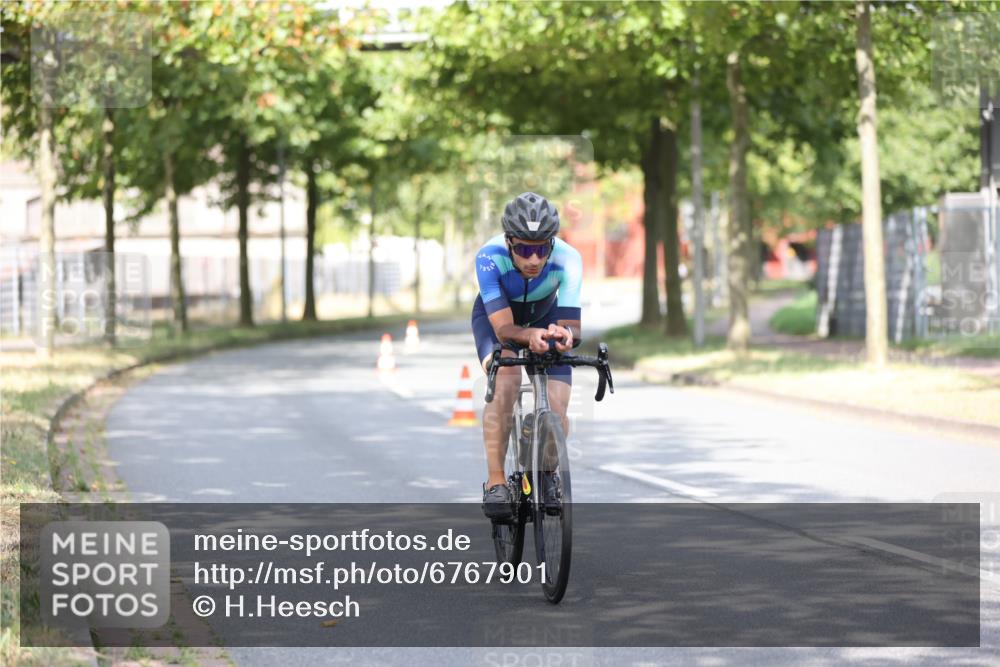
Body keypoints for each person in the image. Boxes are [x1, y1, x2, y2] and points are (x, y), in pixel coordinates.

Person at [471, 192, 582, 520]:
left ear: (552, 244)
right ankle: (496, 482)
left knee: (558, 410)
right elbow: (504, 328)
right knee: (506, 379)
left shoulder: (570, 259)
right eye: (523, 249)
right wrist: (528, 335)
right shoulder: (488, 257)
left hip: (544, 321)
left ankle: (545, 472)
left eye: (541, 249)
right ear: (508, 243)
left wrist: (565, 337)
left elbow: (573, 326)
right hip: (497, 323)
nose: (533, 259)